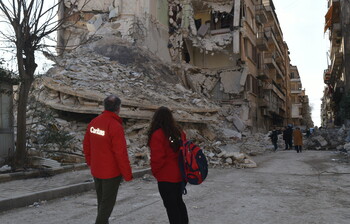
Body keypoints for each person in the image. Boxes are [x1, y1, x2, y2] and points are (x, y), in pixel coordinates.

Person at [83, 95, 133, 224]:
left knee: (102, 202)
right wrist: (127, 174)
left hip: (97, 170)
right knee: (107, 205)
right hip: (110, 173)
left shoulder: (93, 123)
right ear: (118, 108)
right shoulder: (115, 126)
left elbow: (86, 145)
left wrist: (90, 162)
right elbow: (120, 153)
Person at [147, 106, 189, 224]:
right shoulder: (179, 132)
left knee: (171, 207)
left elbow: (157, 159)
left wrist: (156, 172)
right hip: (180, 175)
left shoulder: (158, 134)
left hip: (166, 177)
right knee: (179, 203)